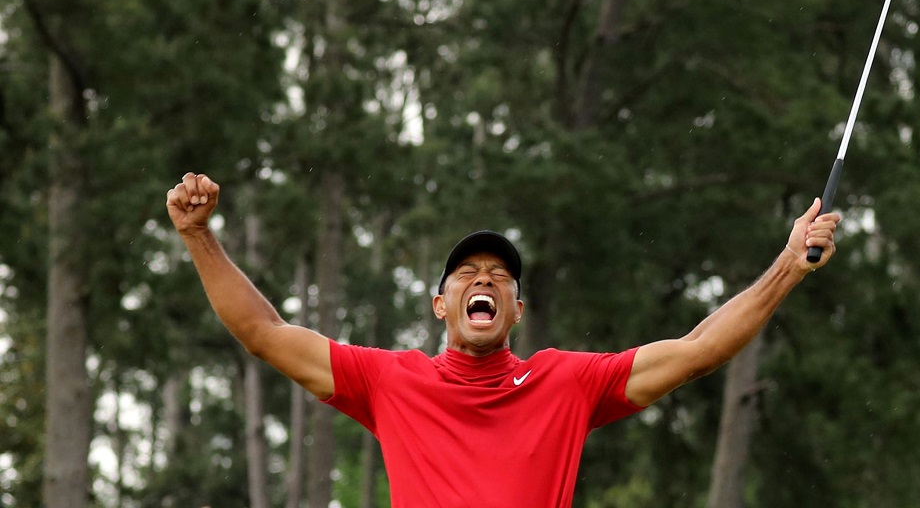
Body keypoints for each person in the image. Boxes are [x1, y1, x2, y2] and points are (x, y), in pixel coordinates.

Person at [166, 172, 841, 508]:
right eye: (466, 275)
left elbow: (697, 351)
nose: (481, 282)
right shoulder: (390, 382)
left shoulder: (569, 383)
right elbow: (263, 333)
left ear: (517, 308)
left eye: (498, 278)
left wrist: (786, 267)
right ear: (441, 305)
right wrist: (199, 236)